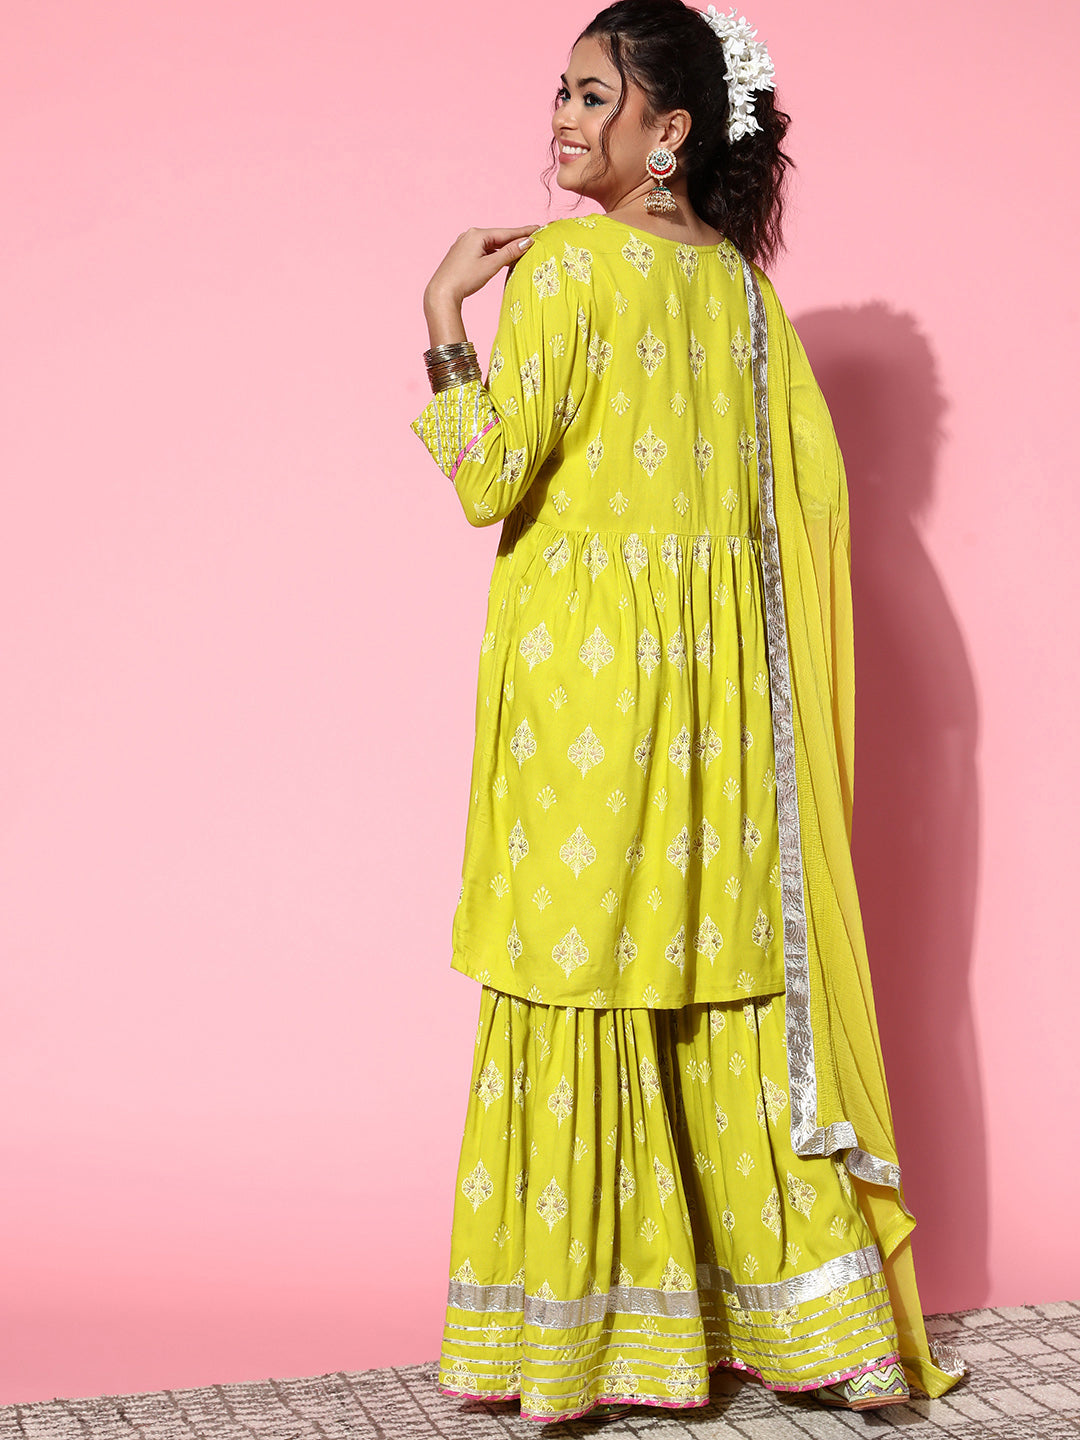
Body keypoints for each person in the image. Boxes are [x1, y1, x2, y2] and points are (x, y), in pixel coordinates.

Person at [410, 0, 967, 1423]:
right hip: (722, 702)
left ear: (669, 133)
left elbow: (488, 482)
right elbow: (785, 522)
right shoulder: (742, 297)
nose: (564, 118)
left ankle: (582, 1348)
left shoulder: (565, 272)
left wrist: (442, 321)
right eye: (561, 90)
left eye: (595, 96)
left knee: (579, 979)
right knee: (717, 979)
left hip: (584, 691)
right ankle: (803, 1326)